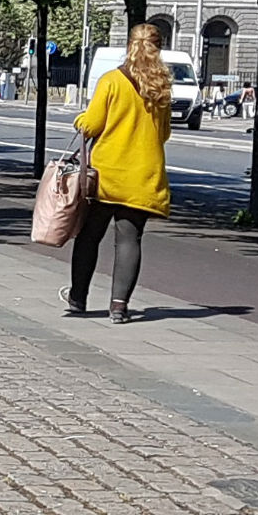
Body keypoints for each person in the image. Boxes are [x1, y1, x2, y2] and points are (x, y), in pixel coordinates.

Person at [68, 23, 172, 324]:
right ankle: (119, 307)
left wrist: (80, 120)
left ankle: (78, 298)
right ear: (158, 47)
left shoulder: (111, 80)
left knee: (89, 236)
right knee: (129, 240)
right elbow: (163, 134)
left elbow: (91, 125)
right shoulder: (161, 86)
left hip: (106, 175)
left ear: (130, 45)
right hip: (143, 176)